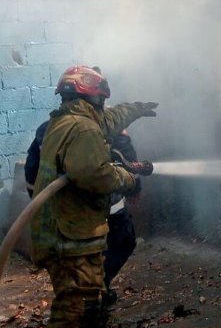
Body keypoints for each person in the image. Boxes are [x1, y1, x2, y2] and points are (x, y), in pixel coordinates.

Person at [28, 65, 157, 328]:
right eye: (103, 99)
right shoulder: (83, 129)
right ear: (95, 96)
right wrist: (128, 179)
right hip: (67, 235)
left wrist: (135, 110)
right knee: (73, 305)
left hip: (71, 229)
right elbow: (95, 175)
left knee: (92, 292)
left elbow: (111, 119)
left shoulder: (70, 119)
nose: (104, 106)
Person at [27, 125, 146, 305]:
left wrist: (134, 185)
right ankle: (85, 298)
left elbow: (127, 155)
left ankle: (99, 285)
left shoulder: (109, 123)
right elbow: (34, 178)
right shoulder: (48, 133)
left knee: (124, 239)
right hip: (72, 207)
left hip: (107, 197)